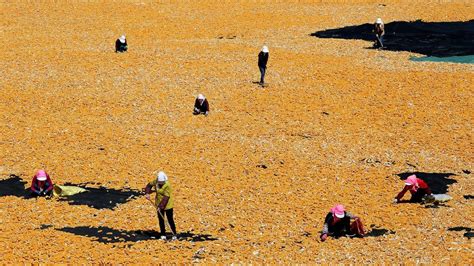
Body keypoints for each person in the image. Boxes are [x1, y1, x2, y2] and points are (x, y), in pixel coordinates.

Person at [145, 171, 177, 240]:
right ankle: (163, 234)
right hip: (158, 202)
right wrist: (147, 193)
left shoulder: (167, 185)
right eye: (160, 183)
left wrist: (160, 207)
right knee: (161, 219)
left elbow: (166, 197)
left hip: (167, 205)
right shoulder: (156, 181)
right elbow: (149, 185)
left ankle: (174, 234)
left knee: (170, 219)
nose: (160, 184)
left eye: (162, 183)